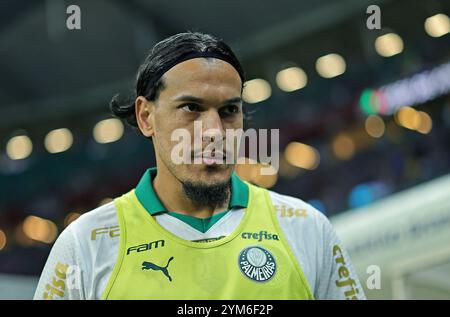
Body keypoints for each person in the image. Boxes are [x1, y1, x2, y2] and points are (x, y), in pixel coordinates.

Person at [34, 32, 365, 300]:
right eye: (191, 107)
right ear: (146, 117)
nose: (214, 132)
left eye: (228, 111)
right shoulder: (86, 244)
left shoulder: (306, 228)